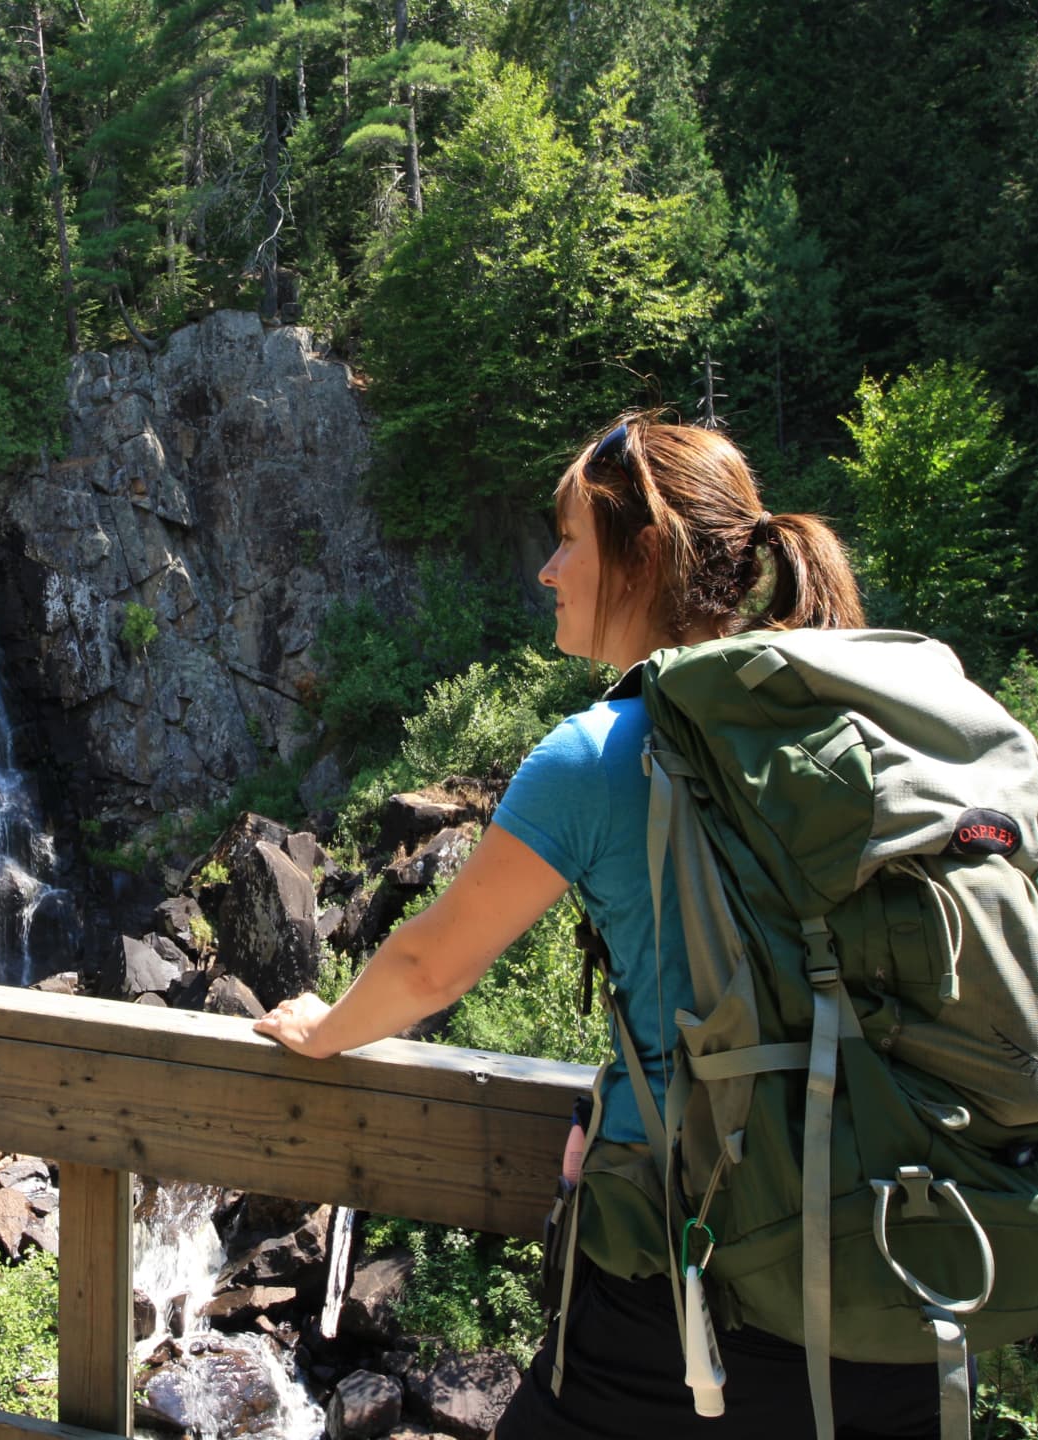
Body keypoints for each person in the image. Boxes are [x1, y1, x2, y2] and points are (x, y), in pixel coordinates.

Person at [255, 416, 938, 1438]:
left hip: (696, 1281)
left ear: (644, 555)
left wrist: (320, 1032)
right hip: (905, 1267)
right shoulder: (848, 730)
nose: (547, 569)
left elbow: (432, 964)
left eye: (571, 537)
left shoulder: (603, 752)